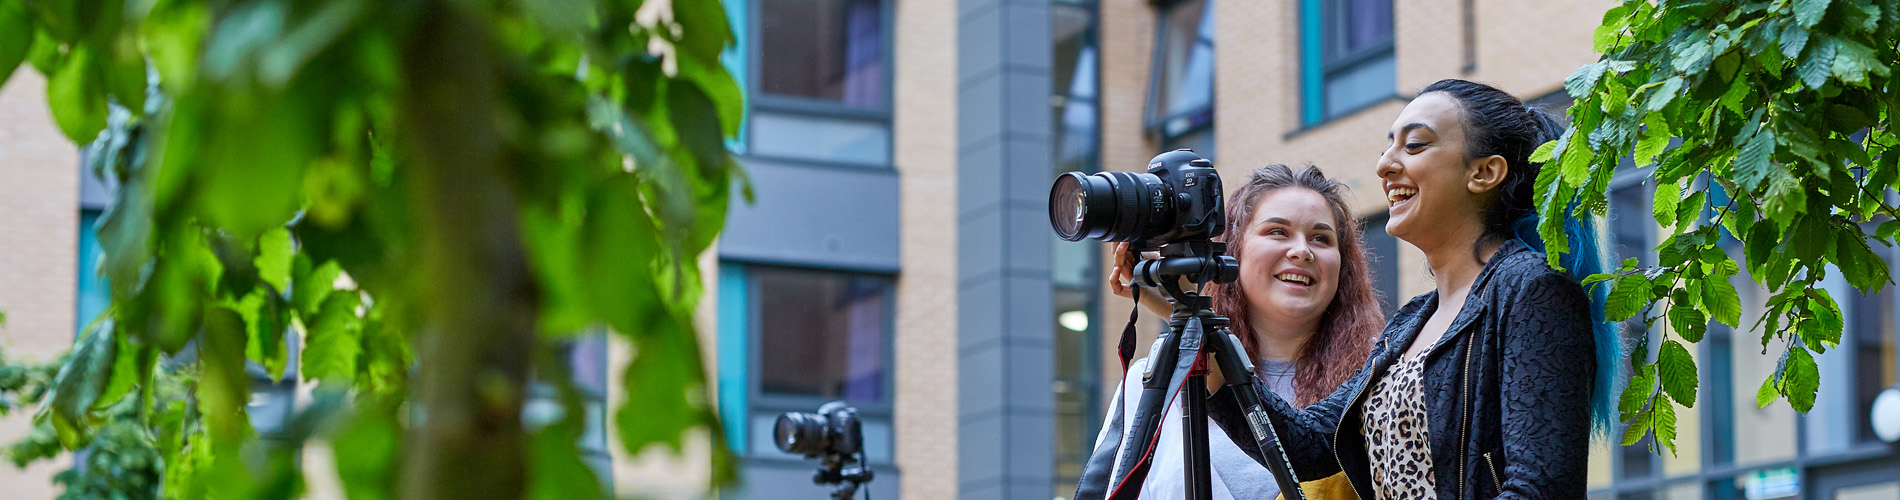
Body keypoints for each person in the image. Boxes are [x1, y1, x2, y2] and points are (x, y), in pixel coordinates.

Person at [1206, 78, 1622, 499]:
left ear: (1484, 173)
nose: (1385, 165)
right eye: (1389, 146)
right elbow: (1311, 445)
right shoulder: (1411, 321)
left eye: (1415, 145)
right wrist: (1194, 321)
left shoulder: (1531, 289)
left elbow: (1541, 490)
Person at [1076, 164, 1384, 500]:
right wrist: (1180, 307)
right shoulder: (1151, 380)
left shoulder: (1379, 373)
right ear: (1233, 251)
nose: (1302, 251)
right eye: (1277, 232)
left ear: (1344, 263)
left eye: (1321, 238)